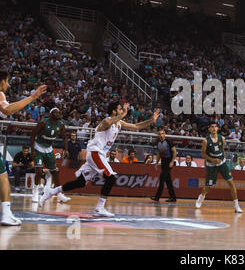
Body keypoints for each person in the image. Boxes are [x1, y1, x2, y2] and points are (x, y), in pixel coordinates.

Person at [39, 102, 160, 217]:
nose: (121, 110)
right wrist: (123, 114)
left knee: (80, 182)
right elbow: (110, 122)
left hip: (99, 154)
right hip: (95, 152)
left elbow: (136, 126)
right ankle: (99, 208)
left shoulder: (119, 123)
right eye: (119, 108)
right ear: (113, 111)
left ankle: (51, 192)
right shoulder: (106, 121)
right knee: (111, 178)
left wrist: (151, 121)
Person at [0, 70, 47, 225]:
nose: (8, 84)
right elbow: (7, 110)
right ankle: (6, 214)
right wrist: (32, 97)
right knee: (3, 178)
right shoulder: (0, 94)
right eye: (6, 81)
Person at [195, 121, 242, 213]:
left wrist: (223, 159)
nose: (214, 128)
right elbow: (203, 154)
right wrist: (212, 160)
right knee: (208, 186)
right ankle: (201, 196)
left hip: (222, 163)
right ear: (209, 129)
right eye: (212, 126)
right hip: (211, 165)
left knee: (231, 183)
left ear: (217, 128)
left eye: (215, 126)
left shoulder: (222, 138)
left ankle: (236, 206)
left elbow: (222, 150)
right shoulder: (206, 141)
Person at [31, 108, 71, 204]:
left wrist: (65, 149)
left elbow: (65, 137)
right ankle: (35, 192)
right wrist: (32, 150)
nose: (58, 113)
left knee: (55, 172)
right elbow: (32, 135)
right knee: (39, 171)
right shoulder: (43, 122)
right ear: (50, 114)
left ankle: (59, 194)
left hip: (49, 148)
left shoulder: (60, 125)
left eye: (59, 112)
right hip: (38, 147)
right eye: (55, 112)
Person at [151, 129, 177, 203]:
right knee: (168, 181)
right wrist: (156, 163)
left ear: (164, 134)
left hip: (169, 162)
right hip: (163, 162)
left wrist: (172, 161)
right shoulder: (158, 143)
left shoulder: (169, 142)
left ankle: (157, 197)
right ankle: (173, 197)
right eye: (159, 134)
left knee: (162, 178)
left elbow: (175, 151)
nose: (161, 135)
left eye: (162, 133)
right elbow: (159, 153)